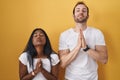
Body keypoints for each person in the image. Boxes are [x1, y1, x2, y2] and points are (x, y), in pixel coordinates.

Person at [58, 1, 108, 80]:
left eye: (84, 10)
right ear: (73, 15)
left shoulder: (97, 33)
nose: (81, 12)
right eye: (78, 10)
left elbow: (104, 59)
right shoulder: (64, 35)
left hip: (92, 78)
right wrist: (78, 47)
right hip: (70, 78)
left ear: (87, 16)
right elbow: (63, 64)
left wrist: (86, 48)